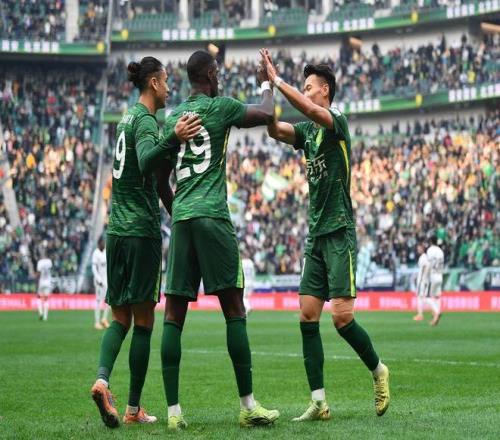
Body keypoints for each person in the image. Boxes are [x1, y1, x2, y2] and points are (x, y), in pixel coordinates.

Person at [261, 49, 390, 421]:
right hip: (315, 234)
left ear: (325, 91)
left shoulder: (337, 121)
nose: (306, 91)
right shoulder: (307, 133)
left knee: (342, 318)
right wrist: (266, 88)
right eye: (303, 87)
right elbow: (274, 129)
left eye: (309, 87)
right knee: (307, 315)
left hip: (339, 230)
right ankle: (319, 402)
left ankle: (379, 371)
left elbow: (310, 111)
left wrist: (279, 81)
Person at [159, 50, 279, 430]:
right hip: (212, 214)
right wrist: (266, 82)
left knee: (173, 315)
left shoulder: (173, 118)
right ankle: (248, 406)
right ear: (210, 75)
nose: (221, 78)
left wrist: (178, 211)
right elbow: (268, 112)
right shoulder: (221, 107)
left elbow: (159, 179)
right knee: (234, 309)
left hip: (182, 219)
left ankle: (173, 414)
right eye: (218, 73)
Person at [90, 56, 200, 429]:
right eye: (166, 81)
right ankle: (134, 409)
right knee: (144, 321)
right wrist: (174, 136)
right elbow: (147, 160)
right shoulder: (147, 121)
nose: (169, 89)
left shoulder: (125, 119)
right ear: (154, 83)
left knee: (119, 317)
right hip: (140, 232)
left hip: (116, 231)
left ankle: (102, 380)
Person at [426, 236, 445, 326]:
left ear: (430, 242)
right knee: (437, 296)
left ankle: (437, 312)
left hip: (432, 275)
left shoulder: (430, 250)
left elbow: (429, 264)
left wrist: (426, 276)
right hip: (440, 275)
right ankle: (435, 316)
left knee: (427, 297)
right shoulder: (441, 251)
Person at [92, 237, 110, 330]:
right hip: (99, 282)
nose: (104, 244)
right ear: (99, 244)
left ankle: (104, 319)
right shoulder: (96, 253)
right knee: (98, 301)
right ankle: (97, 322)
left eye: (104, 243)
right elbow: (94, 268)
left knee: (109, 301)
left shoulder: (106, 252)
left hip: (106, 280)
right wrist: (98, 280)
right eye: (102, 243)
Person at [413, 243, 430, 321]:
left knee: (420, 297)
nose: (418, 250)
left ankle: (420, 315)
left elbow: (426, 267)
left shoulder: (423, 257)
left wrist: (423, 278)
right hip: (423, 280)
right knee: (423, 297)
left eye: (419, 248)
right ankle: (434, 311)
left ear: (423, 249)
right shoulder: (425, 257)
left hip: (422, 281)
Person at [36, 254, 53, 321]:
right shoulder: (49, 261)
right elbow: (51, 268)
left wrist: (37, 283)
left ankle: (41, 313)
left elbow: (38, 273)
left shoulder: (40, 262)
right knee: (46, 299)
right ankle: (45, 316)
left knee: (39, 297)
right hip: (48, 282)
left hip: (41, 282)